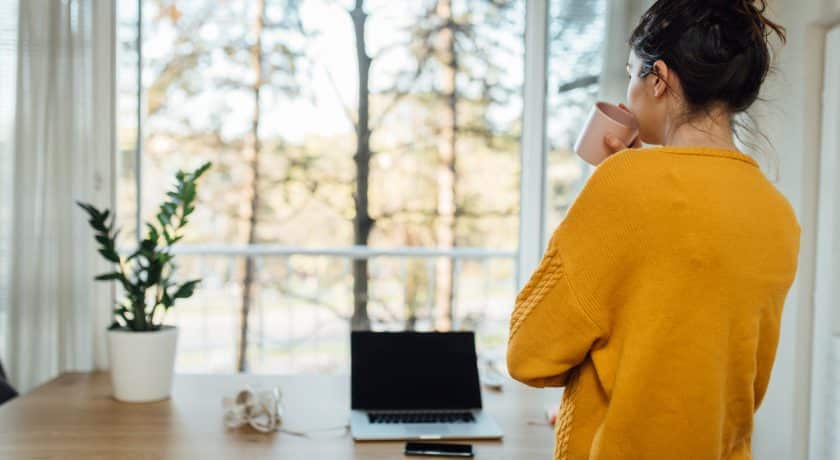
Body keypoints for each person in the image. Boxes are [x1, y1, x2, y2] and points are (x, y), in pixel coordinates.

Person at [506, 1, 799, 458]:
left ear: (658, 78)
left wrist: (613, 187)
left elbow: (529, 353)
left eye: (631, 71)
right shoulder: (776, 213)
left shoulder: (623, 186)